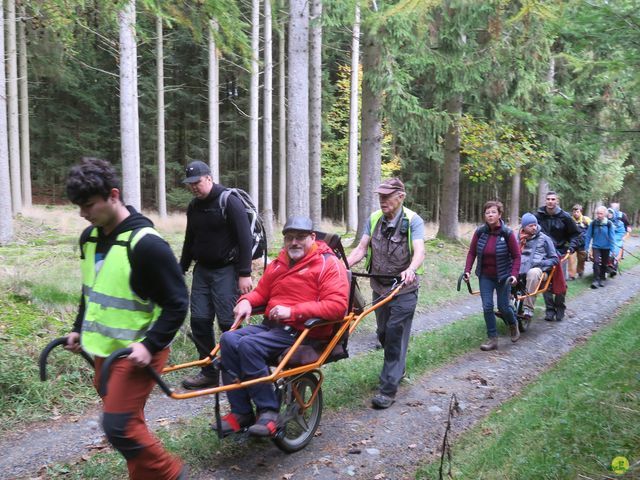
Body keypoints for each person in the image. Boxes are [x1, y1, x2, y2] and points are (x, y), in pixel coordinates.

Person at [64, 158, 188, 480]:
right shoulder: (90, 239)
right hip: (106, 348)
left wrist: (151, 344)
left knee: (118, 425)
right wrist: (79, 329)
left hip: (139, 352)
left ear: (114, 195)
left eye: (89, 205)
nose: (83, 214)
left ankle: (172, 475)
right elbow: (90, 291)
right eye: (79, 207)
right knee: (126, 422)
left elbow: (177, 303)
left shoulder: (147, 245)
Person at [215, 216, 349, 437]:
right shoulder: (279, 263)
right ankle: (241, 413)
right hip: (273, 327)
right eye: (289, 238)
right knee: (228, 339)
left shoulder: (328, 263)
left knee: (249, 345)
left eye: (300, 237)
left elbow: (336, 306)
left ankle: (269, 412)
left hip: (303, 331)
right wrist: (246, 301)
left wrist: (293, 311)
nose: (294, 242)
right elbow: (261, 293)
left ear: (312, 237)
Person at [347, 178, 425, 409]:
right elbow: (361, 248)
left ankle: (387, 390)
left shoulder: (413, 221)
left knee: (393, 333)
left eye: (387, 196)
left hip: (404, 289)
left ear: (400, 197)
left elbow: (419, 251)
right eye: (380, 196)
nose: (382, 200)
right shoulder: (373, 219)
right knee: (383, 333)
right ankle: (397, 368)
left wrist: (411, 269)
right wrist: (342, 265)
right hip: (379, 287)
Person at [179, 160, 254, 390]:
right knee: (199, 320)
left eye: (197, 182)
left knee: (227, 322)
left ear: (209, 178)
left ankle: (239, 371)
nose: (194, 187)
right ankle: (209, 372)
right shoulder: (194, 206)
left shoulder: (228, 200)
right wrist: (180, 269)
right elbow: (189, 239)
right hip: (202, 270)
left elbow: (244, 238)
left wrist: (244, 273)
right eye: (190, 183)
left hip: (226, 270)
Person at [463, 200, 521, 351]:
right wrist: (467, 270)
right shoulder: (480, 232)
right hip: (485, 276)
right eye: (487, 212)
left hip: (503, 277)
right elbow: (472, 252)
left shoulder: (507, 233)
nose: (490, 215)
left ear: (500, 214)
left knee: (503, 307)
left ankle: (513, 324)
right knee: (487, 306)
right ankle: (492, 338)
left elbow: (516, 256)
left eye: (493, 212)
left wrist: (514, 275)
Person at [533, 191, 580, 321]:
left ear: (557, 201)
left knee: (560, 282)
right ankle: (549, 309)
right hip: (543, 253)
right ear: (545, 201)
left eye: (553, 199)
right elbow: (529, 229)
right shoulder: (538, 216)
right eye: (548, 199)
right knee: (544, 281)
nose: (550, 201)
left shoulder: (565, 217)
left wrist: (571, 247)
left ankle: (560, 307)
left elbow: (575, 234)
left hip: (560, 253)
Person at [518, 213, 558, 321]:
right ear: (523, 227)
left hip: (539, 271)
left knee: (533, 273)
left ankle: (528, 309)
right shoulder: (517, 238)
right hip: (519, 269)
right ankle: (505, 306)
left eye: (535, 225)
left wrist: (540, 264)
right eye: (530, 226)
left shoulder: (545, 239)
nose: (534, 227)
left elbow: (555, 259)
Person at [584, 206, 615, 288]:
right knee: (596, 262)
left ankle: (602, 279)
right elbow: (588, 236)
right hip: (596, 246)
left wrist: (612, 250)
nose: (599, 215)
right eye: (597, 213)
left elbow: (612, 238)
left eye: (601, 213)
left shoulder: (609, 224)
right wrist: (586, 248)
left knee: (604, 264)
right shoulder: (593, 223)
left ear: (605, 214)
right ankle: (595, 280)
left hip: (606, 247)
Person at [567, 204, 591, 280]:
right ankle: (572, 275)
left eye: (577, 212)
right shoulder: (569, 220)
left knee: (581, 259)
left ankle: (580, 271)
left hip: (582, 244)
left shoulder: (586, 220)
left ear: (581, 212)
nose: (576, 213)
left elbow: (592, 229)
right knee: (571, 259)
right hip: (572, 243)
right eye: (574, 212)